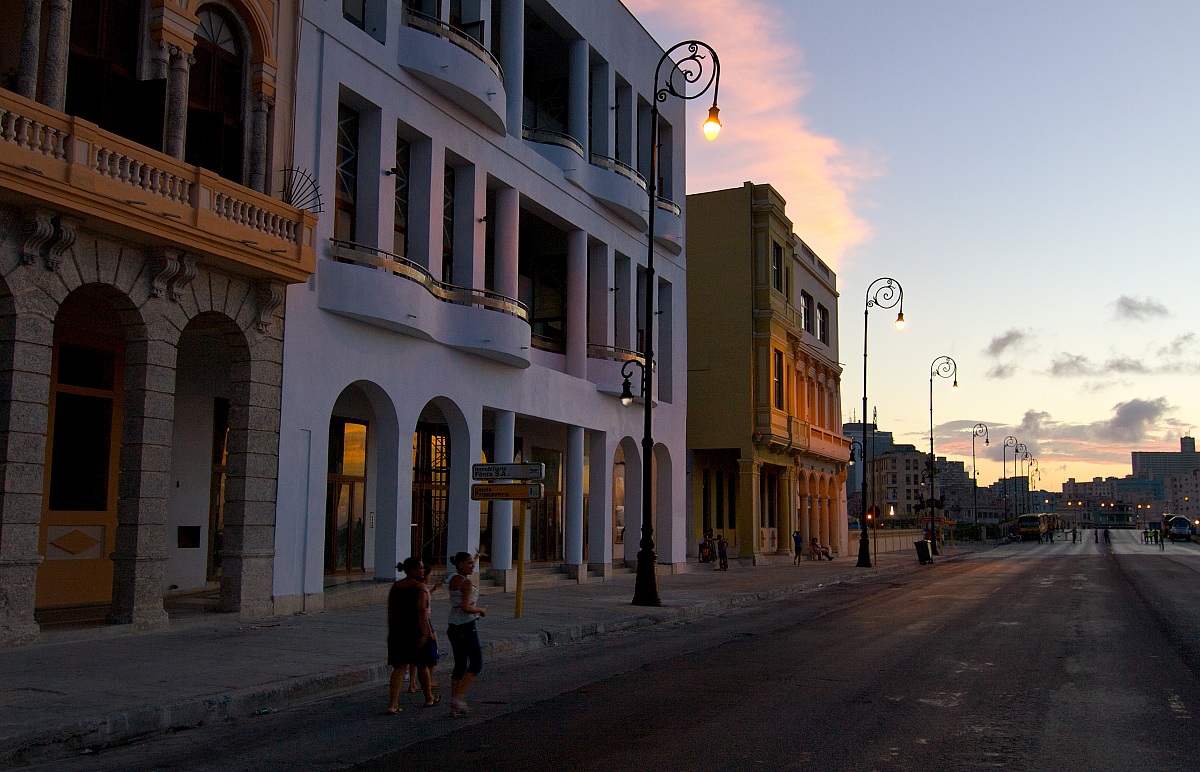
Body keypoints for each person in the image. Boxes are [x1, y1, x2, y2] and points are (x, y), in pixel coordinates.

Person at [385, 556, 439, 714]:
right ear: (412, 570)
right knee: (422, 665)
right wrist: (426, 633)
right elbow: (422, 612)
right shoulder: (420, 588)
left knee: (399, 667)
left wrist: (392, 629)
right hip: (415, 631)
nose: (423, 570)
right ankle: (429, 697)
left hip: (397, 631)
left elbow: (390, 609)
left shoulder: (396, 586)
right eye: (420, 568)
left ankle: (393, 704)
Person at [447, 550, 487, 717]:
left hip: (453, 625)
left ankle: (455, 707)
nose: (473, 566)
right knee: (476, 662)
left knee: (460, 663)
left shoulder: (453, 579)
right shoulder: (467, 584)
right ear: (461, 564)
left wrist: (477, 556)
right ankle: (458, 697)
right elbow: (466, 607)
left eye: (473, 563)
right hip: (466, 625)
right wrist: (480, 610)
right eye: (470, 563)